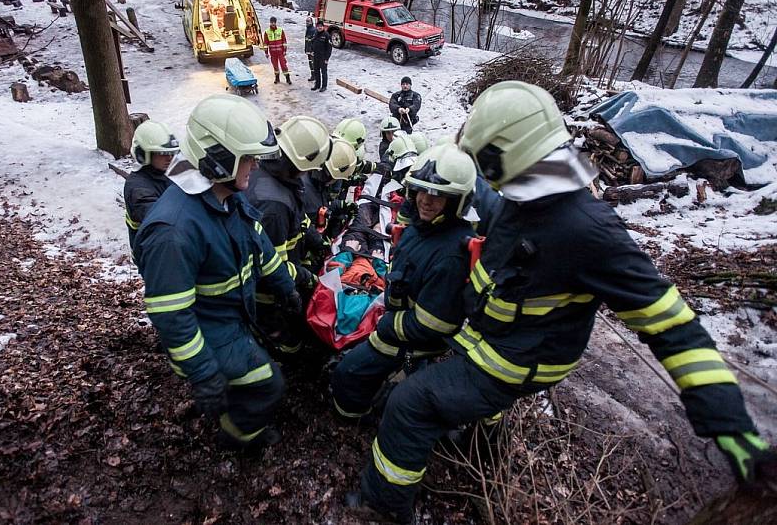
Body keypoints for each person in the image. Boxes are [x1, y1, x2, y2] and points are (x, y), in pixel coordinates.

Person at [346, 81, 775, 523]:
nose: (486, 175)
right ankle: (478, 442)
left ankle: (384, 505)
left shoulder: (589, 231)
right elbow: (484, 197)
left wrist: (731, 425)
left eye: (488, 163)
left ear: (513, 155)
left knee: (410, 404)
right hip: (495, 337)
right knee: (456, 395)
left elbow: (673, 326)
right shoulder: (527, 194)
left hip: (515, 360)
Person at [133, 95, 299, 452]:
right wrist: (203, 372)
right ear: (218, 157)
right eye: (248, 158)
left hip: (230, 317)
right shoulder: (174, 230)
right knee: (270, 385)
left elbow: (257, 242)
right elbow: (171, 316)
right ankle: (237, 436)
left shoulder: (225, 194)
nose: (254, 166)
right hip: (208, 331)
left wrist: (287, 286)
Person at [332, 144, 476, 421]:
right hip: (401, 321)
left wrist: (387, 325)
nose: (426, 200)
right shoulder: (425, 228)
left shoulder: (450, 255)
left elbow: (434, 324)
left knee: (348, 374)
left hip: (411, 339)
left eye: (438, 195)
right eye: (421, 191)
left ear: (457, 201)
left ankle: (359, 414)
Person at [245, 115, 332, 354]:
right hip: (266, 293)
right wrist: (306, 278)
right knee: (289, 344)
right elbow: (273, 266)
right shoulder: (273, 204)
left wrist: (317, 240)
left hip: (277, 280)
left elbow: (299, 218)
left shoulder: (278, 178)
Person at [123, 120, 180, 252]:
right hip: (153, 254)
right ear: (144, 154)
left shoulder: (165, 172)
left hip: (168, 247)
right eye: (163, 153)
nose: (170, 158)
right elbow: (162, 221)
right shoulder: (138, 188)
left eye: (172, 153)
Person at [264, 16, 291, 85]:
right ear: (270, 23)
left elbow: (284, 41)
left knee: (283, 65)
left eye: (274, 22)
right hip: (273, 53)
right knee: (275, 66)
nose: (273, 23)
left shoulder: (280, 30)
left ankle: (288, 78)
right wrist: (266, 52)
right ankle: (277, 78)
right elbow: (265, 43)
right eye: (272, 22)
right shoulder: (267, 32)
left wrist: (285, 50)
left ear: (276, 23)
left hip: (280, 52)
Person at [310, 19, 332, 92]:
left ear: (323, 27)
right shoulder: (315, 33)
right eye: (318, 26)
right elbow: (312, 42)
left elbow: (329, 48)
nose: (319, 27)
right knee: (316, 71)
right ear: (316, 27)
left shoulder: (327, 35)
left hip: (323, 57)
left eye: (321, 26)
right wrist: (312, 51)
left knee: (323, 72)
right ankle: (317, 85)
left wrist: (327, 58)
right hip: (316, 56)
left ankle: (324, 86)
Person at [304, 15, 316, 82]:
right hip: (308, 50)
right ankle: (313, 76)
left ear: (312, 22)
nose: (307, 23)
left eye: (308, 21)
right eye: (306, 21)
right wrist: (306, 49)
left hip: (312, 51)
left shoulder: (313, 30)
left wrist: (312, 50)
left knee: (314, 64)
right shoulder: (308, 29)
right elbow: (307, 41)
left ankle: (316, 76)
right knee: (310, 63)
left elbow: (314, 42)